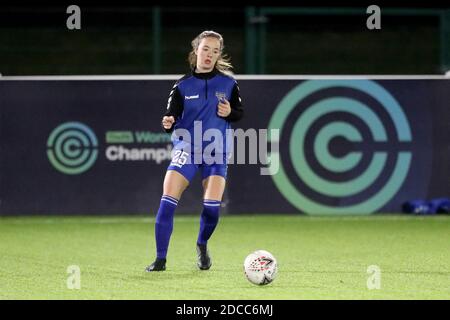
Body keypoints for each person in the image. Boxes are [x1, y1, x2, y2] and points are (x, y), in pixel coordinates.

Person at [146, 30, 244, 272]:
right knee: (167, 202)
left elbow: (238, 113)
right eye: (205, 49)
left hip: (217, 151)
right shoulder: (181, 86)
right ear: (196, 51)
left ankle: (201, 245)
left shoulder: (229, 83)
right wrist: (167, 122)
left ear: (219, 54)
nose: (209, 54)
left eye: (215, 50)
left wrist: (229, 112)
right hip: (187, 148)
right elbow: (170, 117)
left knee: (212, 209)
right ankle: (160, 259)